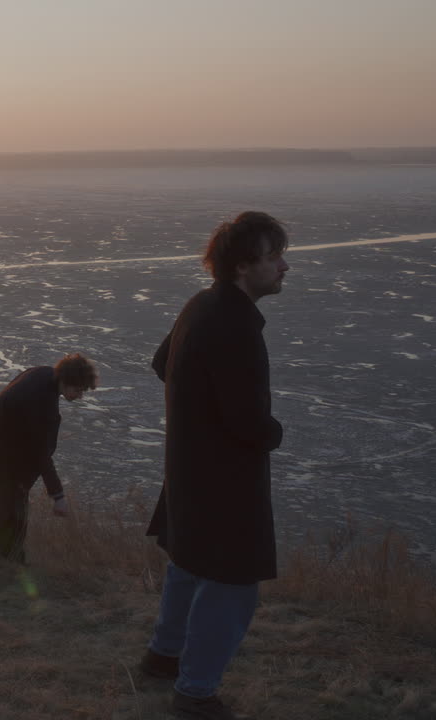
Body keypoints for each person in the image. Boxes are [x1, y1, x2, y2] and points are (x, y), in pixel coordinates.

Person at [140, 211, 290, 720]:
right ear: (244, 265)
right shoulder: (236, 325)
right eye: (274, 257)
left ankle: (163, 658)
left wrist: (197, 416)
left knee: (188, 566)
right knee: (231, 585)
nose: (284, 267)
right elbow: (249, 423)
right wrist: (274, 433)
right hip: (226, 483)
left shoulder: (201, 304)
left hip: (188, 469)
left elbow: (163, 363)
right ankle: (195, 693)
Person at [0, 352, 98, 576]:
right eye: (78, 390)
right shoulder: (41, 400)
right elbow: (41, 454)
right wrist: (58, 496)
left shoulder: (46, 375)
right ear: (67, 381)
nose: (80, 396)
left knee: (10, 498)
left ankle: (9, 557)